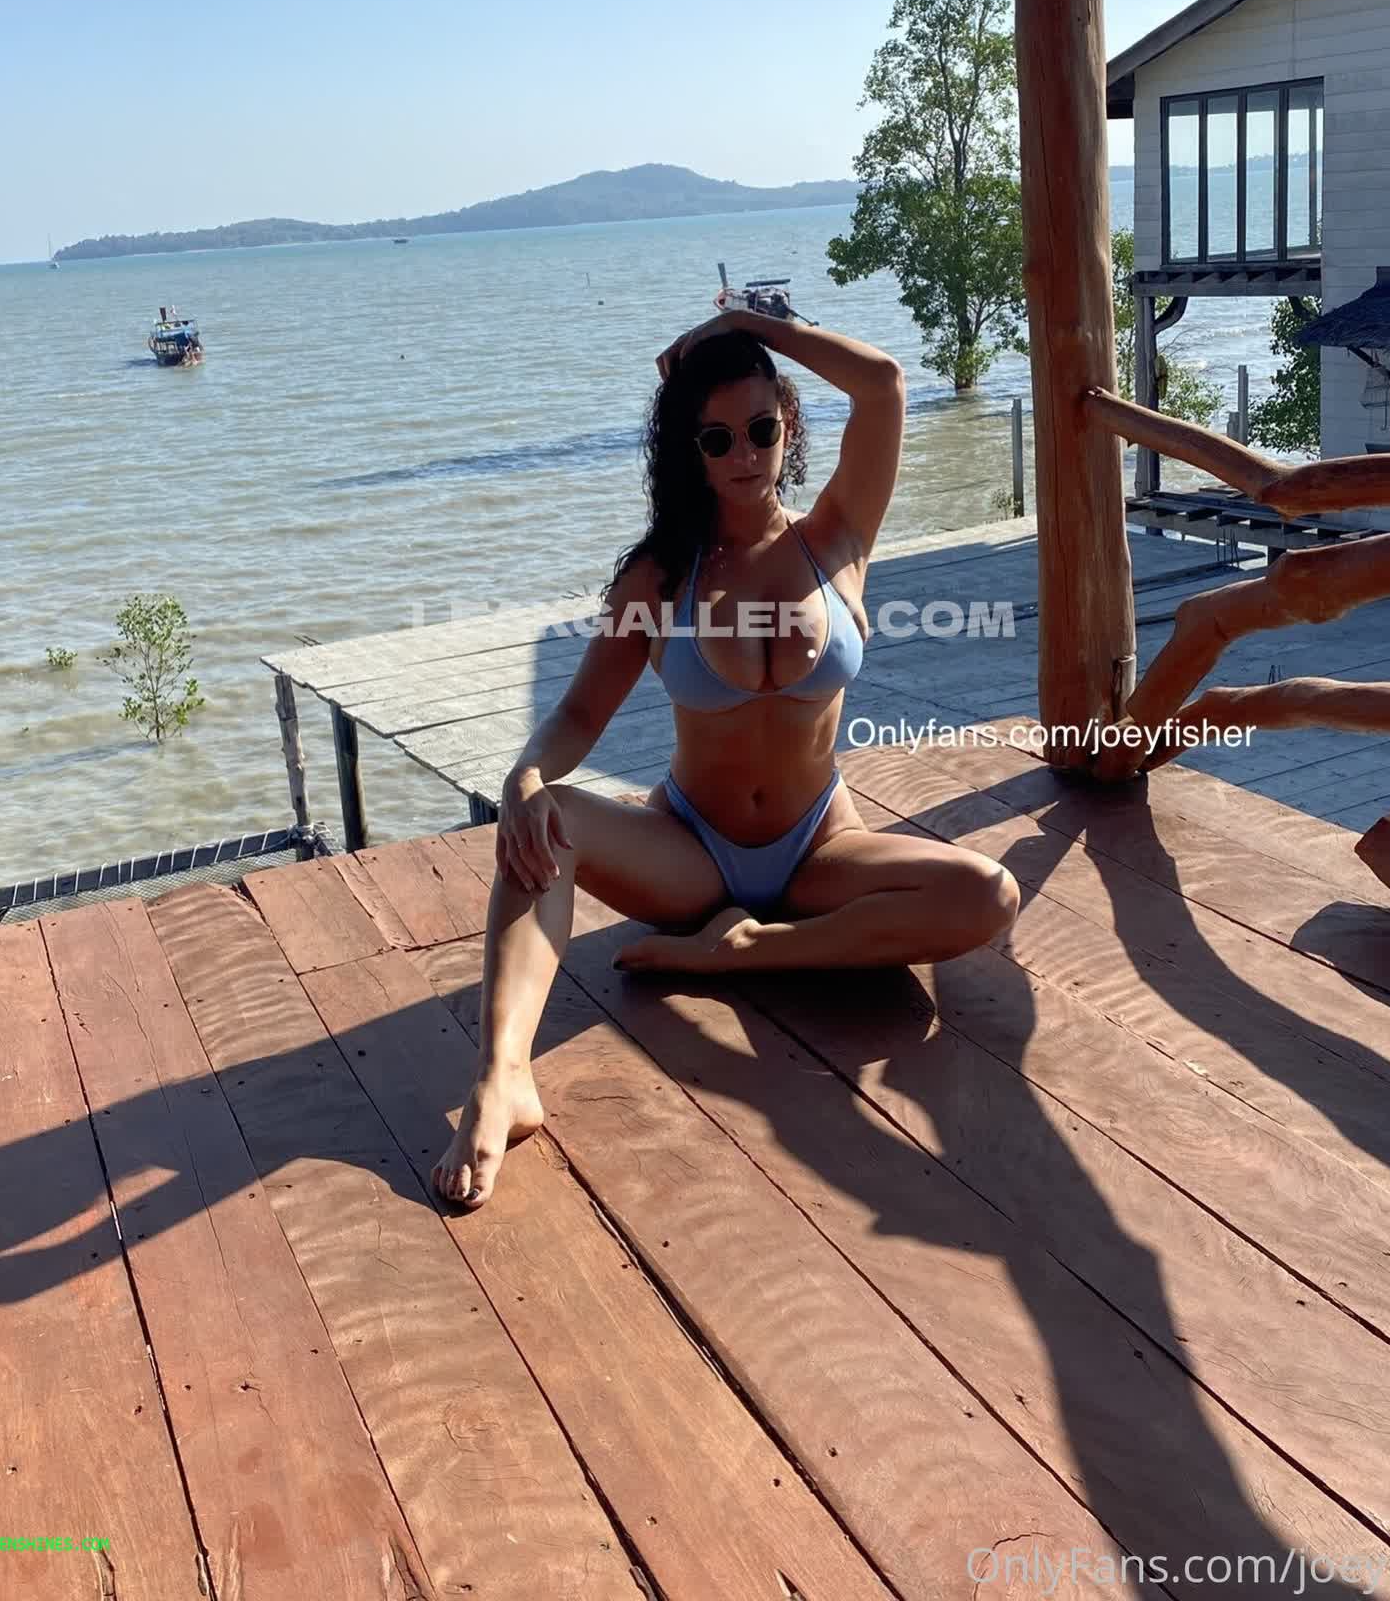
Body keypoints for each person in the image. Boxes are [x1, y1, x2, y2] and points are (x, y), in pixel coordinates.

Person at [432, 305, 1021, 1210]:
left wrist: (751, 322)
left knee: (988, 894)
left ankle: (745, 954)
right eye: (717, 439)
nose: (745, 453)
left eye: (761, 428)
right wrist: (525, 776)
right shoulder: (660, 577)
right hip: (691, 856)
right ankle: (502, 1075)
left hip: (820, 847)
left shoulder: (838, 538)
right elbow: (581, 711)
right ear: (691, 452)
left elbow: (882, 385)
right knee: (546, 821)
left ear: (788, 424)